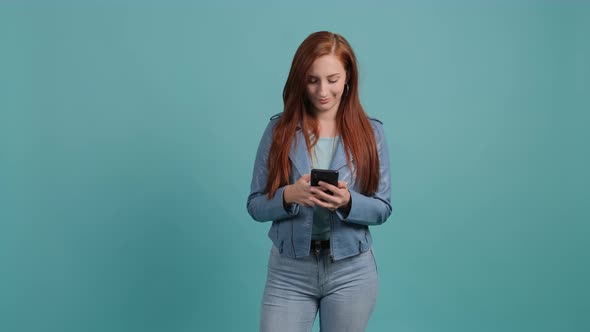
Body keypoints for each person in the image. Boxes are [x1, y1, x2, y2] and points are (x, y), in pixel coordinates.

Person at [247, 31, 392, 332]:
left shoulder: (371, 133)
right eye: (312, 80)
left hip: (352, 271)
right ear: (301, 79)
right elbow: (255, 205)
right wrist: (289, 195)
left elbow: (382, 208)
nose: (322, 91)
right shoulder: (279, 131)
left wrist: (348, 202)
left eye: (332, 79)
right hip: (289, 270)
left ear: (348, 77)